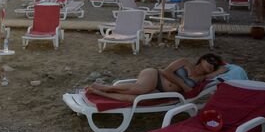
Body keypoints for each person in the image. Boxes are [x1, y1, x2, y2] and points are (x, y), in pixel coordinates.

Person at [86, 53, 227, 102]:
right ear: (202, 59)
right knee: (141, 89)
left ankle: (99, 92)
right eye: (209, 60)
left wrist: (219, 69)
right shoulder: (185, 62)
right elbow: (166, 71)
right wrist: (183, 85)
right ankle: (106, 87)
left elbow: (216, 73)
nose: (211, 64)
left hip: (162, 91)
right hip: (155, 75)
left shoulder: (201, 79)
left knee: (135, 99)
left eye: (214, 65)